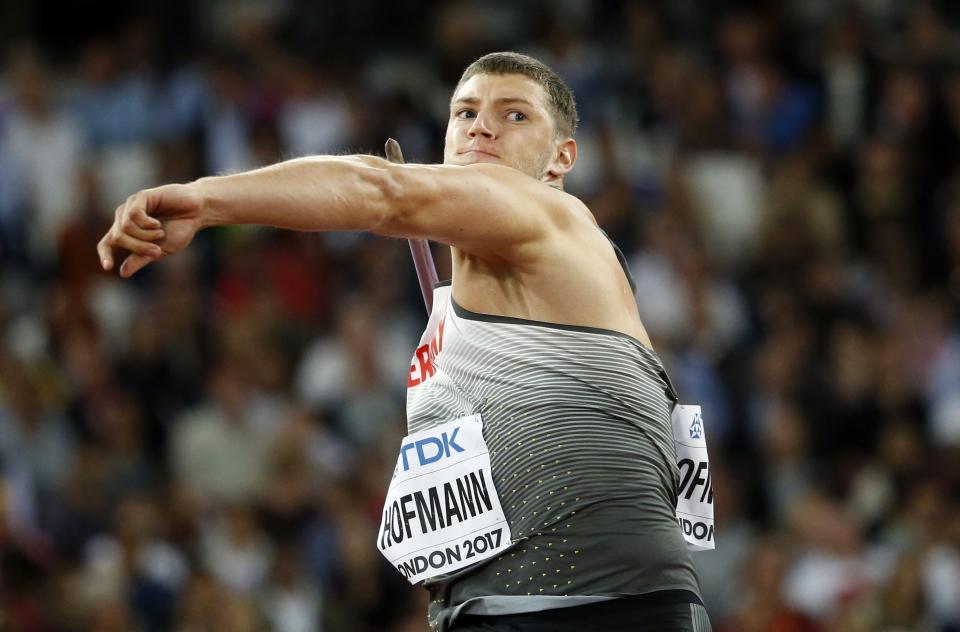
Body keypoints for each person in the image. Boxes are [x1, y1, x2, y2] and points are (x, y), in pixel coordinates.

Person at [98, 52, 712, 632]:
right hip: (497, 607)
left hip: (604, 607)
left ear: (559, 159)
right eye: (465, 113)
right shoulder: (466, 311)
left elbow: (381, 191)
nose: (482, 129)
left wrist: (206, 201)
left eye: (514, 115)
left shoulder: (557, 218)